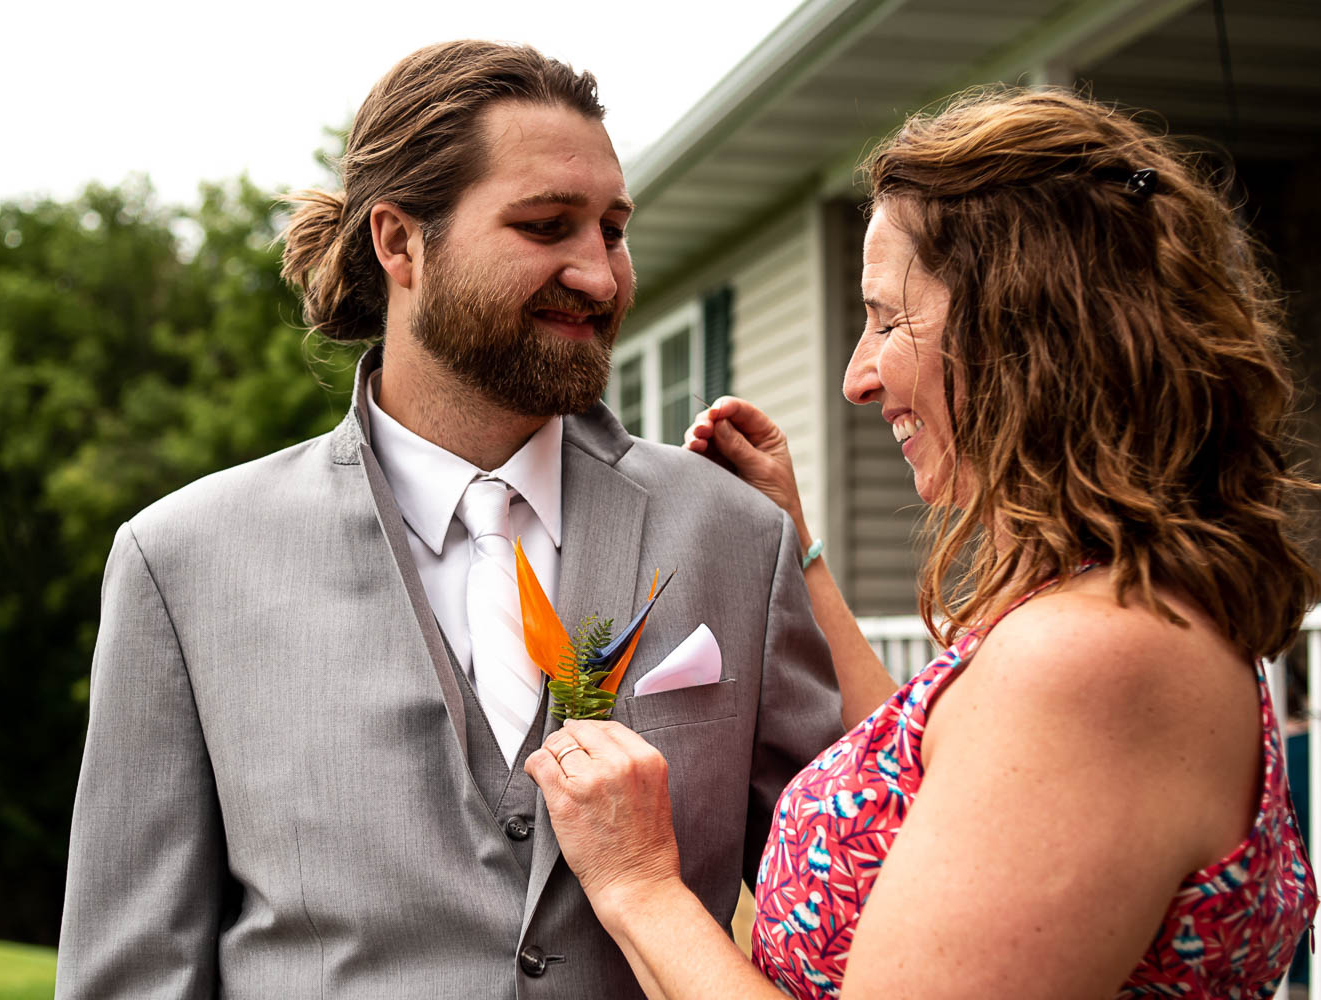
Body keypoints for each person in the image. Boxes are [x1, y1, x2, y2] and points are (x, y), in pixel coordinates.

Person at [53, 40, 842, 998]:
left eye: (614, 230)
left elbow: (844, 896)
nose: (599, 275)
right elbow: (132, 976)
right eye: (548, 225)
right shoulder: (181, 563)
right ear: (399, 243)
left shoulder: (736, 535)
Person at [526, 87, 1320, 999]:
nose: (857, 378)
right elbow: (930, 769)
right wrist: (798, 547)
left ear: (1027, 332)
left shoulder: (1095, 662)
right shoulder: (1110, 611)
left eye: (889, 319)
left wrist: (638, 884)